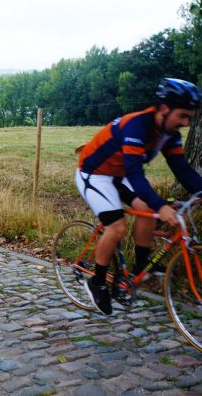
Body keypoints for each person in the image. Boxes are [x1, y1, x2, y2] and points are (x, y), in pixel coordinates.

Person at [76, 77, 202, 316]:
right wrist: (161, 206)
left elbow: (182, 169)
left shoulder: (170, 133)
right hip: (94, 174)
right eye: (183, 116)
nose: (186, 123)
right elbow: (136, 174)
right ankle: (97, 281)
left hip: (120, 174)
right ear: (164, 108)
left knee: (147, 208)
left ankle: (141, 265)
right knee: (116, 227)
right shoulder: (137, 126)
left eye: (190, 117)